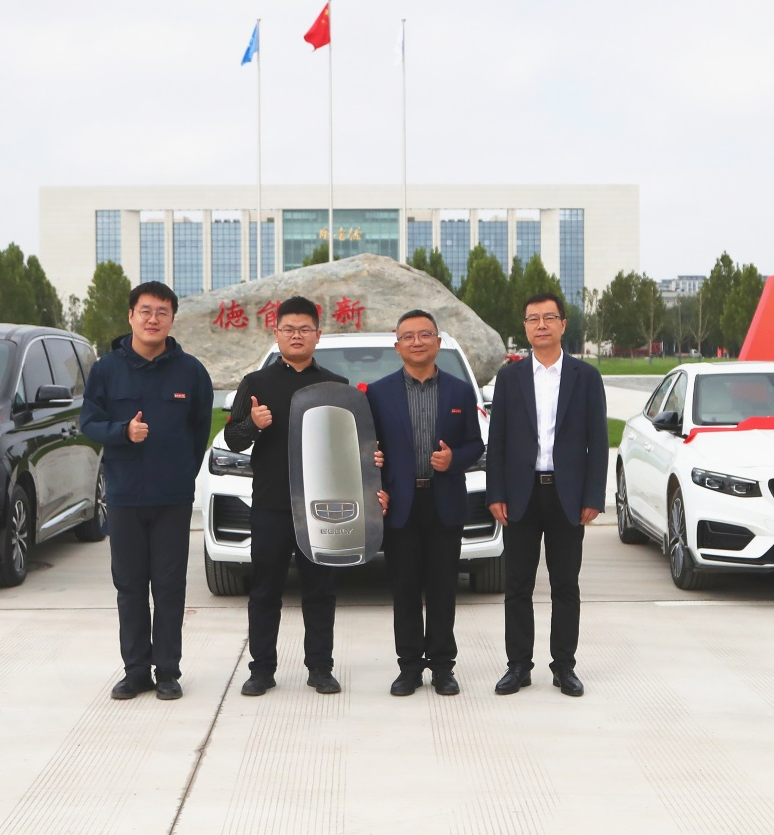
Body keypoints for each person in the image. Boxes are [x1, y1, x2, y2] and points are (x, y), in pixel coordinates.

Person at [80, 281, 213, 701]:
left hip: (172, 498)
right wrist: (124, 431)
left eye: (162, 312)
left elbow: (200, 430)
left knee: (170, 588)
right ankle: (135, 671)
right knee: (130, 587)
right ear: (131, 316)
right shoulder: (106, 369)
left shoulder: (191, 371)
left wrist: (182, 475)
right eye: (145, 311)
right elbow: (89, 423)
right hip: (124, 496)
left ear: (172, 319)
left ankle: (168, 671)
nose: (153, 319)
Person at [485, 291, 607, 698]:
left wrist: (593, 496)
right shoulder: (511, 377)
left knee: (565, 585)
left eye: (549, 317)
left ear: (563, 324)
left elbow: (598, 441)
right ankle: (518, 665)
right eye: (533, 318)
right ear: (525, 328)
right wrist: (496, 492)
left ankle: (564, 666)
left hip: (567, 496)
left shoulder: (585, 377)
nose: (541, 325)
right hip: (520, 496)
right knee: (518, 585)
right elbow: (498, 439)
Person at [225, 296, 347, 697]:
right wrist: (253, 424)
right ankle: (261, 670)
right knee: (265, 590)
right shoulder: (256, 383)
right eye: (289, 329)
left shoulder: (335, 385)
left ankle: (321, 668)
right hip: (271, 505)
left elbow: (347, 444)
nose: (297, 336)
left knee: (320, 590)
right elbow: (233, 439)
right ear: (276, 333)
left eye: (305, 329)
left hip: (321, 507)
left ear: (318, 335)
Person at [366, 310, 483, 697]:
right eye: (408, 336)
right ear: (397, 345)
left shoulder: (459, 391)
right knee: (404, 590)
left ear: (438, 342)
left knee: (443, 590)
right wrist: (376, 483)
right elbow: (369, 451)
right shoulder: (379, 394)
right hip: (400, 504)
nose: (417, 342)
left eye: (425, 335)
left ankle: (443, 668)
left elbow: (475, 445)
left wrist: (454, 459)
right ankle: (409, 668)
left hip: (444, 502)